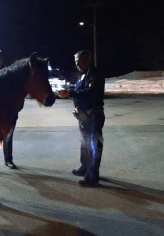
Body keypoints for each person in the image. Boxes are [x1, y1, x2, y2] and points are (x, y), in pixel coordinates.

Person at [58, 50, 105, 187]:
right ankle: (85, 168)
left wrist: (70, 93)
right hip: (84, 116)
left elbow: (90, 93)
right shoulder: (82, 75)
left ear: (87, 60)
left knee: (94, 145)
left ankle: (93, 177)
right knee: (85, 143)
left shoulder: (94, 74)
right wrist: (69, 90)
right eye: (76, 62)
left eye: (79, 61)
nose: (77, 64)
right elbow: (79, 90)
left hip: (94, 115)